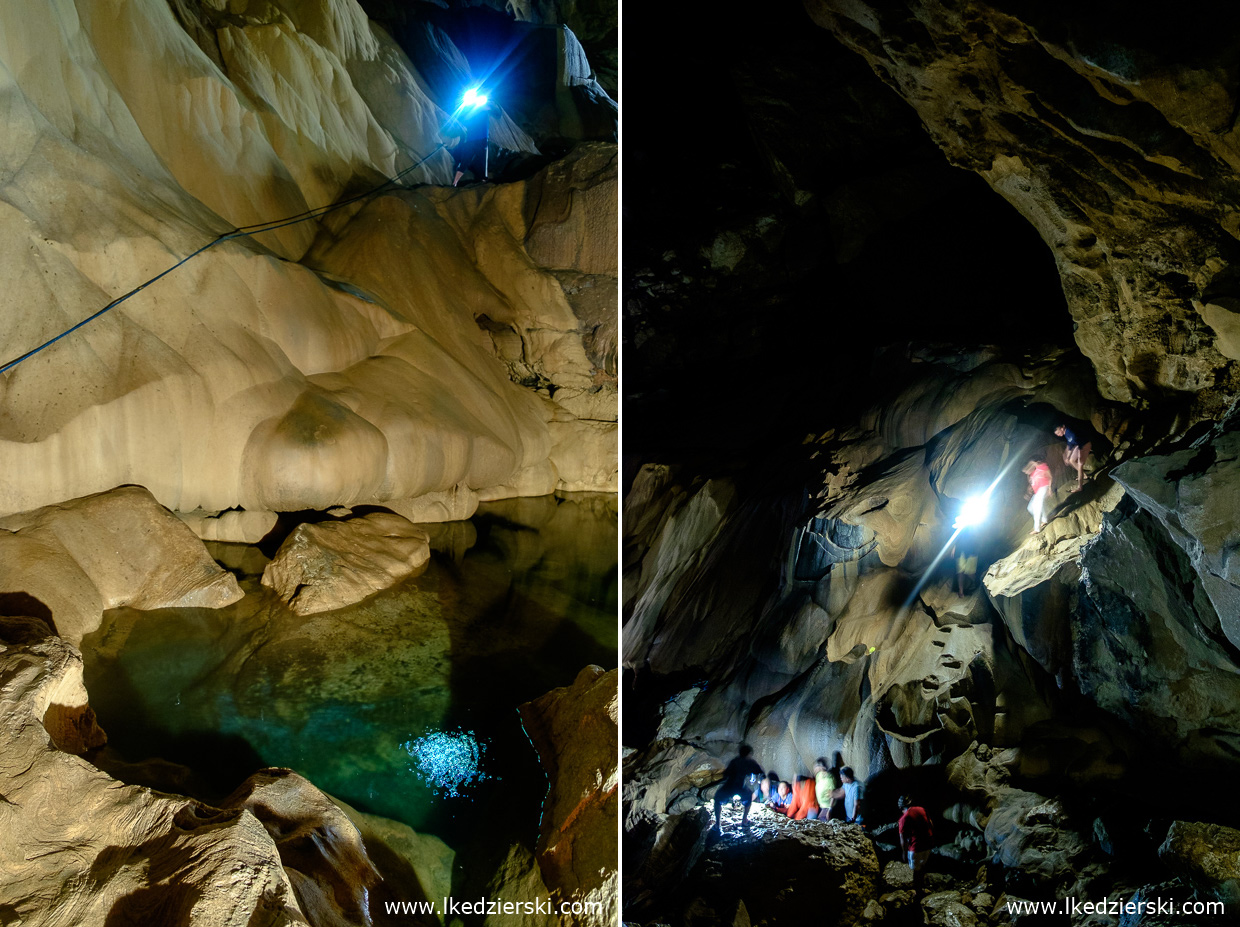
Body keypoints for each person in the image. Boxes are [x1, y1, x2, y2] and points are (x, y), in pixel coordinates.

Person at [712, 745, 764, 830]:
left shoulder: (734, 761)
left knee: (717, 799)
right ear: (749, 754)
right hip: (740, 787)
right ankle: (744, 820)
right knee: (748, 798)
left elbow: (726, 774)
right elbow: (759, 772)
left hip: (729, 786)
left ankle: (718, 823)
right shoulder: (750, 762)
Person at [450, 96, 493, 186]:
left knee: (482, 162)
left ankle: (483, 181)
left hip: (481, 140)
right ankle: (454, 183)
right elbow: (463, 119)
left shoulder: (484, 108)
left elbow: (491, 108)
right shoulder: (470, 111)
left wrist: (481, 104)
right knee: (464, 161)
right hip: (470, 140)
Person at [897, 795, 934, 896]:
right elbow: (930, 823)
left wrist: (904, 853)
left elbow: (902, 839)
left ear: (900, 808)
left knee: (915, 870)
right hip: (928, 844)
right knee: (922, 866)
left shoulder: (903, 819)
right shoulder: (921, 809)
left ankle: (917, 893)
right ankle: (922, 888)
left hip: (916, 848)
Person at [1055, 424, 1092, 492]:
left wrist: (1080, 454)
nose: (1058, 435)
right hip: (1079, 446)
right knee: (1071, 460)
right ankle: (1084, 475)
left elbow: (1078, 441)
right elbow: (1070, 446)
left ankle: (1080, 487)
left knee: (1080, 464)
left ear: (1062, 428)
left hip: (1084, 445)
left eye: (1058, 432)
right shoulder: (1066, 434)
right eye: (1056, 434)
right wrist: (1067, 457)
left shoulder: (1070, 431)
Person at [1022, 458, 1052, 534]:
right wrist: (1028, 491)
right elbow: (1032, 484)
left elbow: (1050, 477)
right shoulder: (1031, 474)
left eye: (1026, 470)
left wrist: (1049, 489)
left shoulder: (1041, 467)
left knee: (1037, 507)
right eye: (1025, 472)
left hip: (1044, 487)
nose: (1026, 472)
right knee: (1030, 508)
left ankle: (1037, 529)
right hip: (1037, 491)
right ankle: (1044, 520)